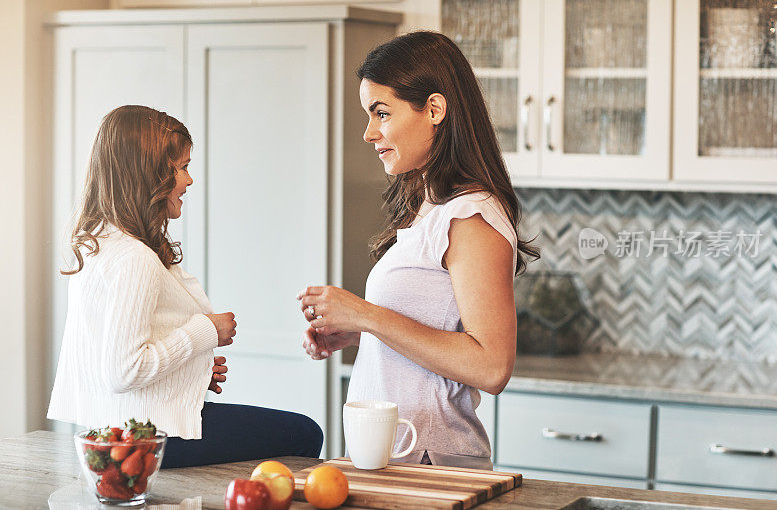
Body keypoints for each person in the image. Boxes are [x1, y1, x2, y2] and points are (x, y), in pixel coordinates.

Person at [297, 31, 539, 469]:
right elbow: (432, 330)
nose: (370, 133)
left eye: (382, 113)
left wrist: (368, 315)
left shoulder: (471, 216)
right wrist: (360, 332)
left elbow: (492, 366)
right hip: (402, 454)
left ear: (434, 109)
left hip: (430, 457)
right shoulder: (431, 210)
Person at [48, 105, 322, 468]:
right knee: (305, 434)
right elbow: (123, 371)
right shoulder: (135, 259)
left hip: (110, 431)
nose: (189, 181)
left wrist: (190, 375)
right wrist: (206, 330)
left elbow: (114, 356)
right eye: (183, 168)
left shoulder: (101, 245)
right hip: (149, 439)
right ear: (151, 174)